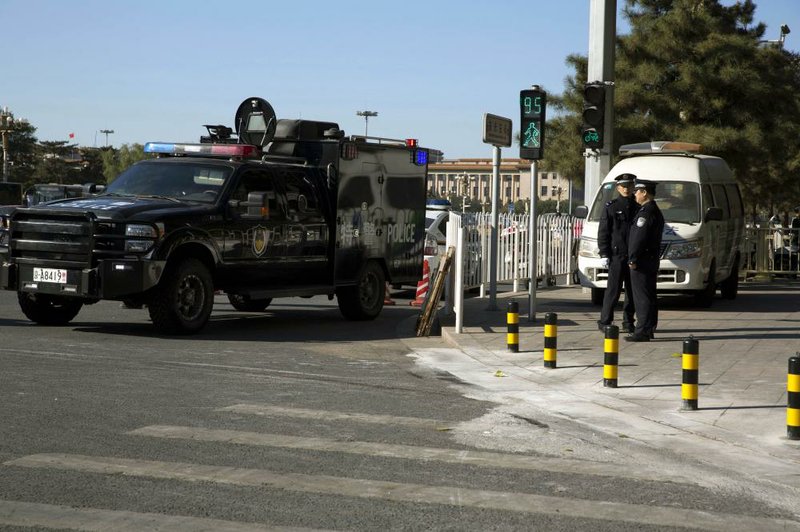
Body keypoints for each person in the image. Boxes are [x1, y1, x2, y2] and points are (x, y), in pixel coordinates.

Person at [597, 173, 638, 333]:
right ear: (618, 188)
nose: (626, 189)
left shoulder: (638, 207)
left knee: (632, 291)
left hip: (633, 255)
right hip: (616, 255)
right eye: (623, 186)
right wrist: (604, 254)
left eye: (629, 186)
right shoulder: (611, 207)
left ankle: (628, 322)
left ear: (634, 187)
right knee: (613, 290)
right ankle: (605, 320)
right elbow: (604, 232)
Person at [625, 179, 664, 342]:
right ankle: (649, 327)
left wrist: (632, 257)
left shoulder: (646, 213)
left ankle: (642, 330)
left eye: (637, 191)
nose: (635, 194)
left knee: (642, 296)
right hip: (650, 258)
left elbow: (638, 238)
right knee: (649, 294)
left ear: (645, 193)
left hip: (642, 260)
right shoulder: (653, 210)